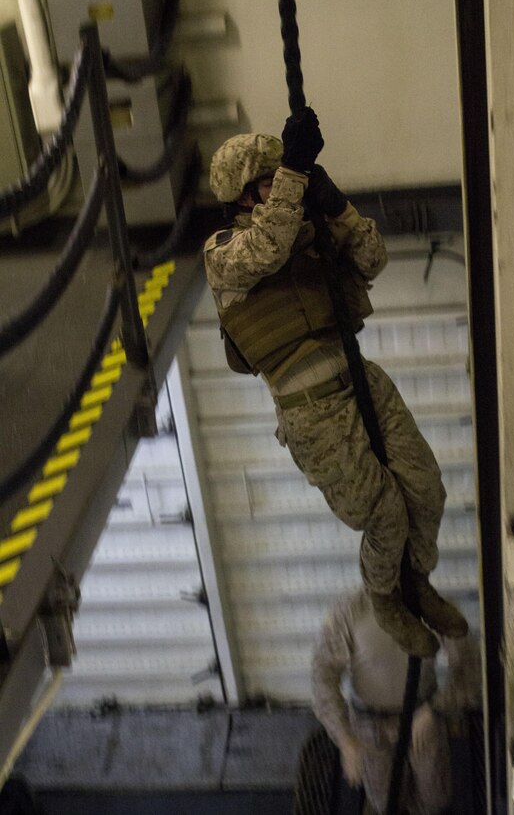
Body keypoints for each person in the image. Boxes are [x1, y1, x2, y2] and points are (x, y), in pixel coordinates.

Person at [203, 107, 468, 657]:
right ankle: (385, 599)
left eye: (283, 177)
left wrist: (338, 207)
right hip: (312, 415)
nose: (283, 187)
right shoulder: (224, 253)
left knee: (426, 489)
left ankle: (418, 581)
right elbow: (266, 250)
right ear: (244, 195)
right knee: (385, 514)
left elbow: (373, 258)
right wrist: (297, 170)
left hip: (361, 379)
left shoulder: (306, 230)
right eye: (270, 180)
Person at [311, 587, 481, 814]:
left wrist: (435, 709)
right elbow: (322, 675)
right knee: (385, 803)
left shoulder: (434, 606)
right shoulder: (350, 609)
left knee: (435, 801)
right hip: (371, 728)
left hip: (422, 722)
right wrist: (345, 739)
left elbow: (470, 669)